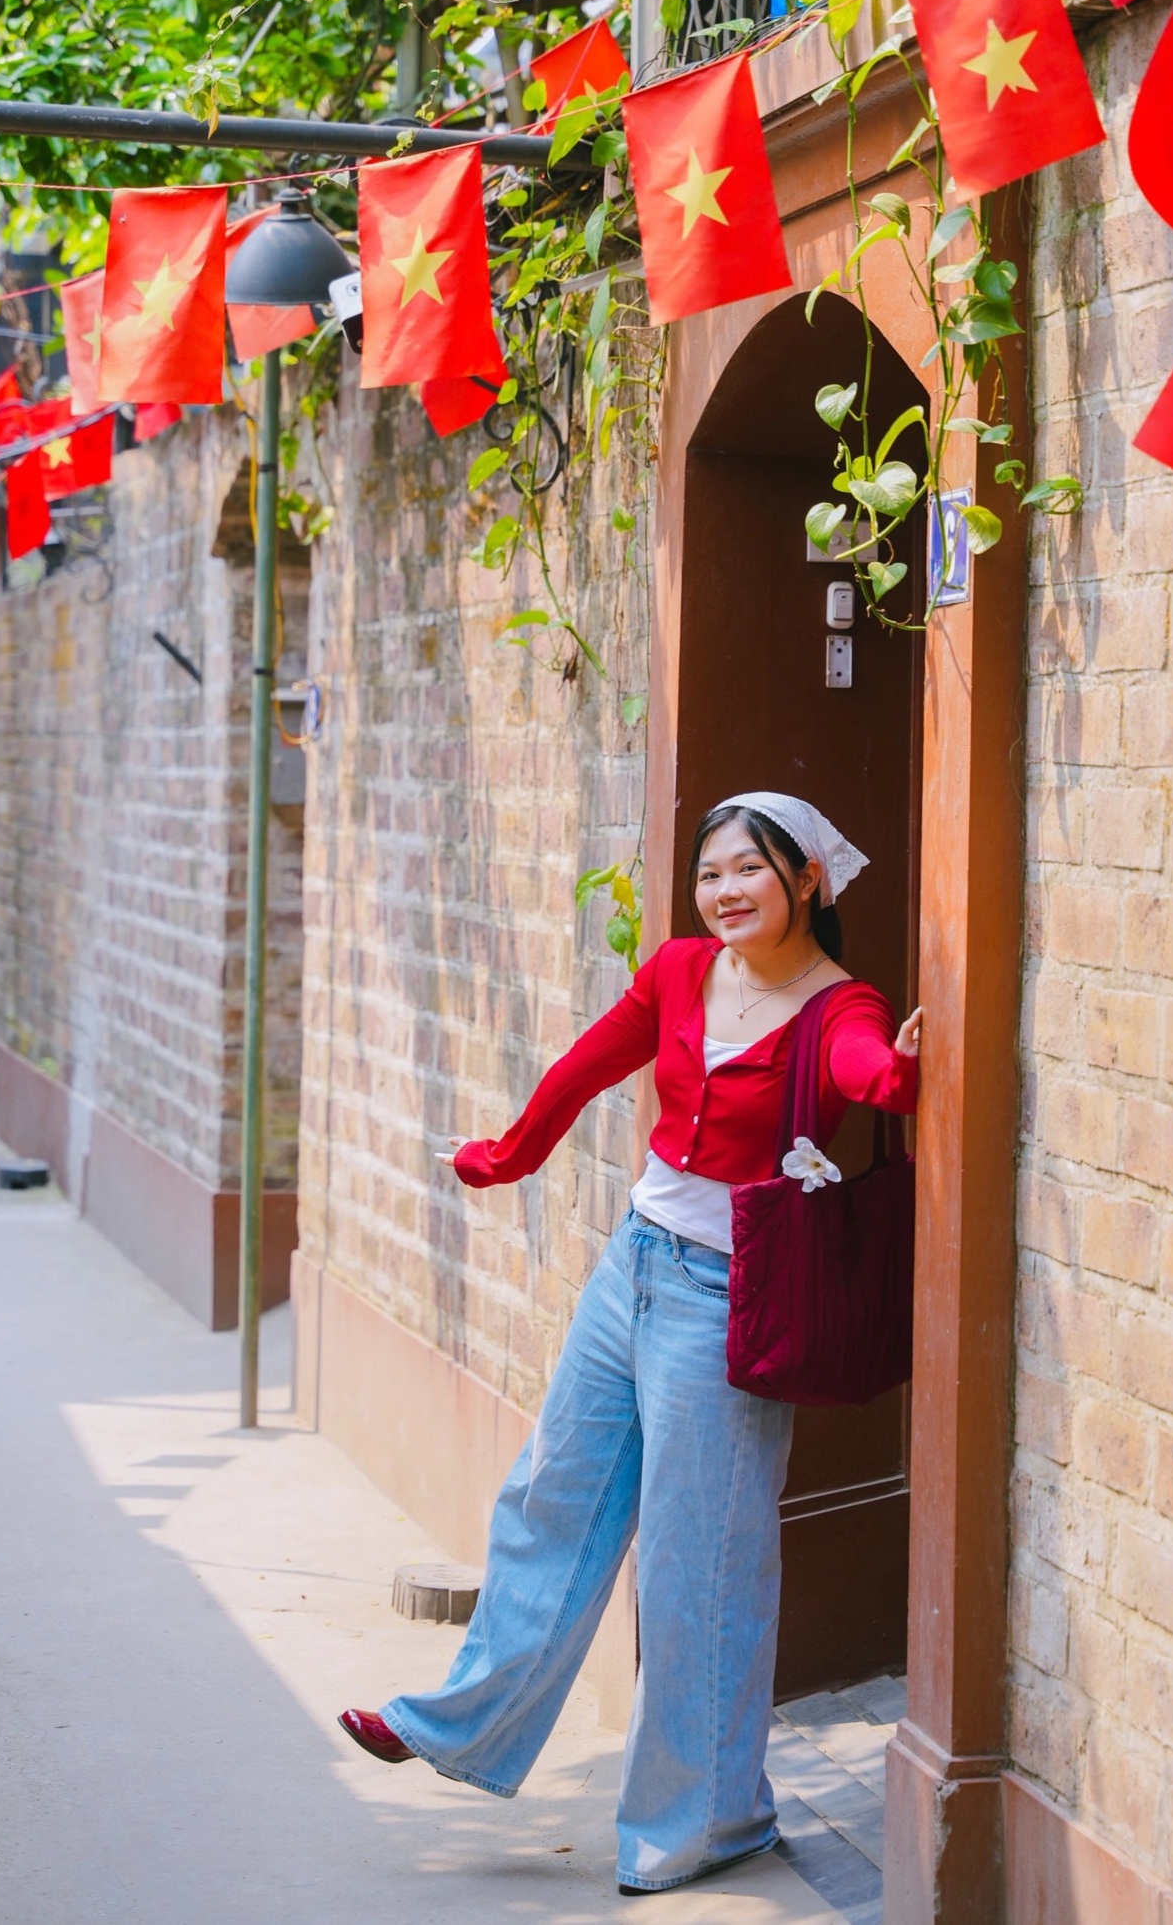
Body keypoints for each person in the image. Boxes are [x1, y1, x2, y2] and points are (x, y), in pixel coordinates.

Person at [338, 791, 922, 1897]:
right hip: (633, 1268)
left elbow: (865, 1072)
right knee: (549, 1500)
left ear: (806, 879)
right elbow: (586, 1066)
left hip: (727, 1300)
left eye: (749, 869)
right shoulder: (679, 971)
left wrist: (900, 1068)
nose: (724, 891)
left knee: (697, 1563)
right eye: (709, 873)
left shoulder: (840, 1004)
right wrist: (505, 1156)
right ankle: (459, 1725)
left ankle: (703, 1824)